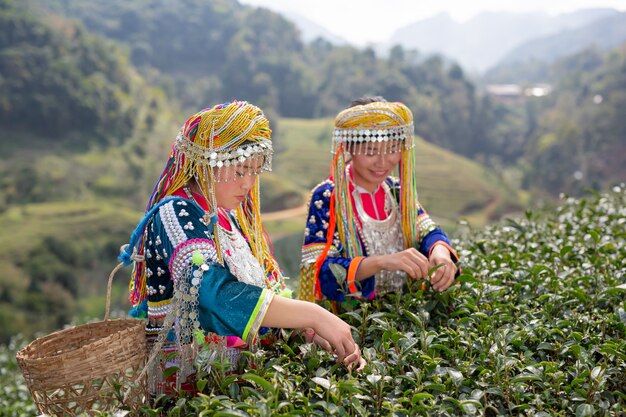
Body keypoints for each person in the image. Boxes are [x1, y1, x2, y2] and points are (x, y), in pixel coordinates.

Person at [119, 101, 364, 395]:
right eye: (239, 171)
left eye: (255, 171)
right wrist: (314, 314)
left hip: (239, 382)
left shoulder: (229, 216)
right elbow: (212, 291)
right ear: (206, 162)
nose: (248, 183)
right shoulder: (174, 213)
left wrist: (307, 330)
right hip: (190, 390)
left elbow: (264, 289)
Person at [299, 97, 459, 307]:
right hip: (355, 321)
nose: (383, 162)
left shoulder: (397, 191)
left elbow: (428, 230)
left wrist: (440, 251)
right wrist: (383, 262)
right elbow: (320, 272)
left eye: (392, 149)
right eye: (371, 152)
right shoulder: (328, 197)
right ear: (349, 147)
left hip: (406, 312)